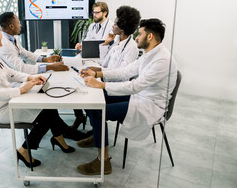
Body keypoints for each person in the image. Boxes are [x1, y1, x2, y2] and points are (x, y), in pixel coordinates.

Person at [0, 22, 83, 168]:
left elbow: (11, 73)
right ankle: (25, 149)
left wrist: (29, 78)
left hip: (10, 100)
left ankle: (59, 137)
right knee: (47, 114)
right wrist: (22, 90)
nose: (1, 45)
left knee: (48, 106)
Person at [76, 19, 178, 175]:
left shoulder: (163, 60)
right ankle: (97, 136)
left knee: (98, 110)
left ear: (149, 37)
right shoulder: (150, 53)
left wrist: (102, 84)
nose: (136, 37)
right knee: (95, 99)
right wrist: (97, 74)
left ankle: (103, 162)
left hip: (149, 105)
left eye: (140, 34)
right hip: (139, 97)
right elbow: (125, 72)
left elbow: (136, 85)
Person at [0, 12, 69, 75]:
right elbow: (21, 68)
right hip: (12, 82)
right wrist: (50, 67)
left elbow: (24, 53)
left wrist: (45, 59)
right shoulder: (4, 45)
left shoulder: (11, 38)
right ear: (11, 27)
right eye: (18, 23)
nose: (20, 25)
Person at [93, 5, 141, 72]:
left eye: (115, 24)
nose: (112, 26)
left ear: (122, 28)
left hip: (114, 81)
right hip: (107, 77)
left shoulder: (131, 47)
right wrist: (106, 43)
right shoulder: (117, 41)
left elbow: (121, 74)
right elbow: (105, 63)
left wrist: (98, 71)